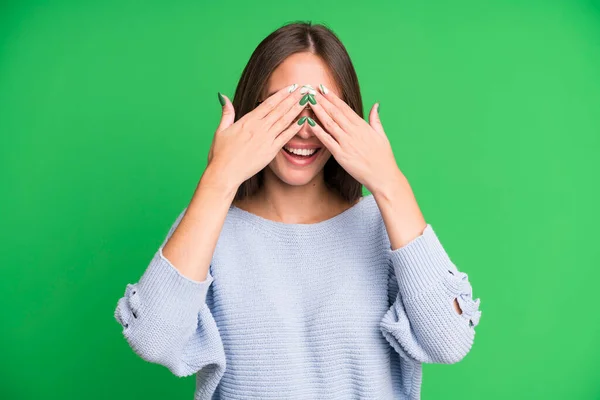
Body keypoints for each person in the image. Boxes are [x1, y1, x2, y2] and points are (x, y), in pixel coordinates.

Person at [114, 21, 482, 399]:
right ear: (251, 112)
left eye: (320, 107)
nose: (304, 130)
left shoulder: (381, 225)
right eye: (284, 106)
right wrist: (219, 177)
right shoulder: (211, 225)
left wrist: (389, 182)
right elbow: (153, 340)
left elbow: (449, 342)